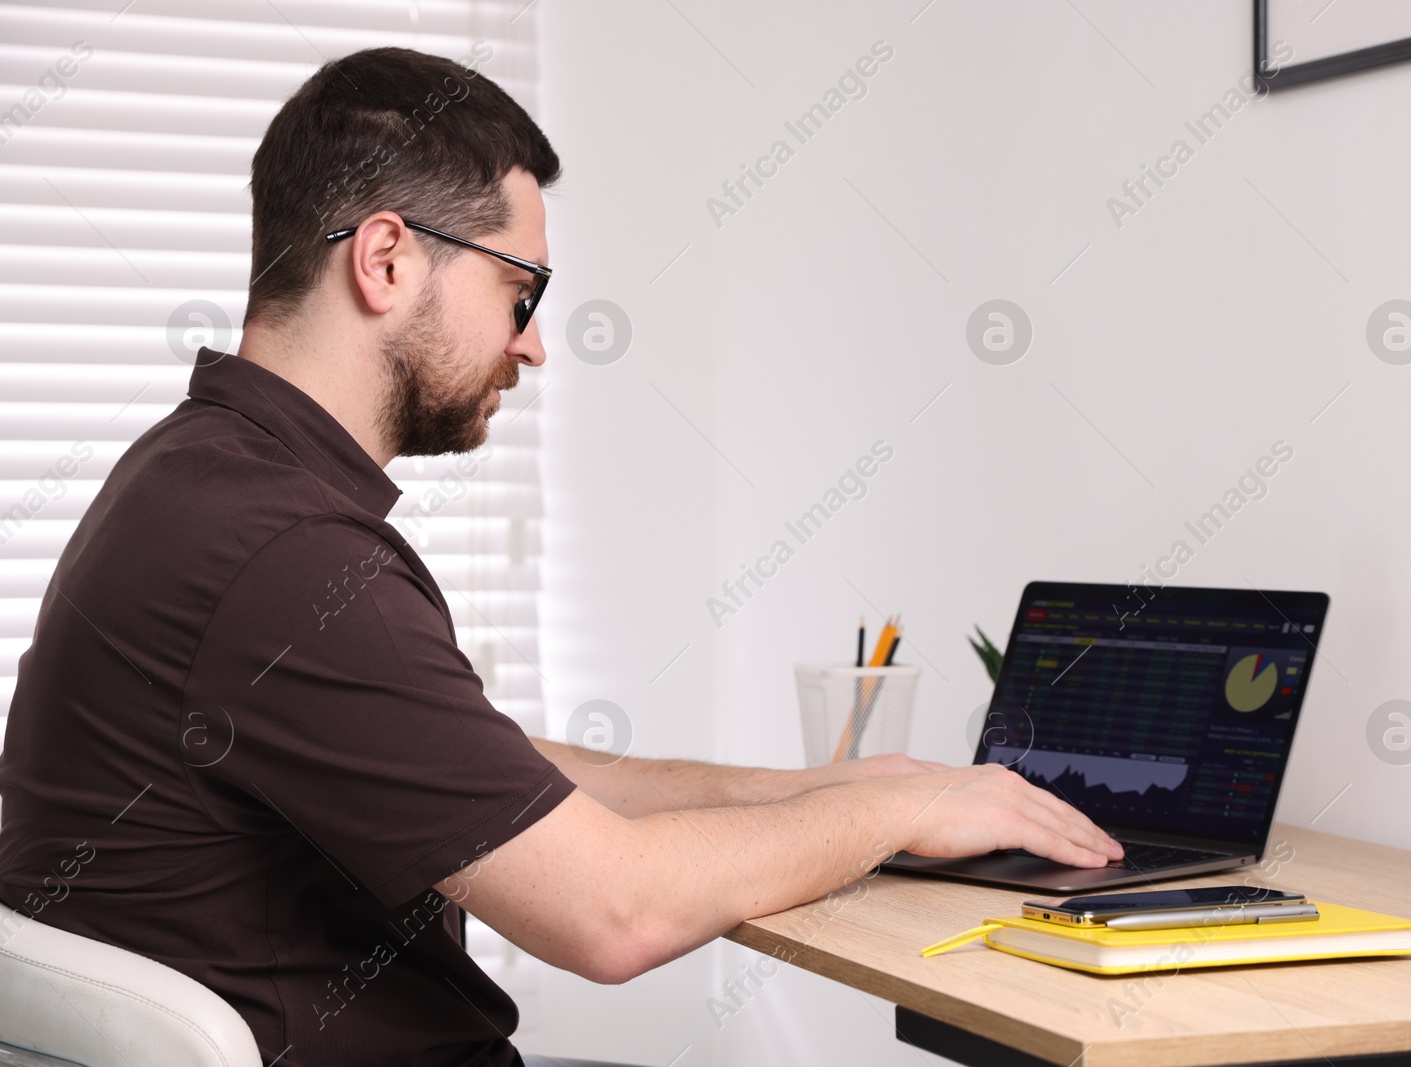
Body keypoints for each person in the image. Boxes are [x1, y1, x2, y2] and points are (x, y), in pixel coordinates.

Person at [0, 47, 1120, 1067]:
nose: (532, 342)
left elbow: (493, 772)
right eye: (519, 290)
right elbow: (613, 913)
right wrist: (896, 820)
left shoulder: (197, 475)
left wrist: (834, 783)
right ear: (386, 260)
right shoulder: (284, 555)